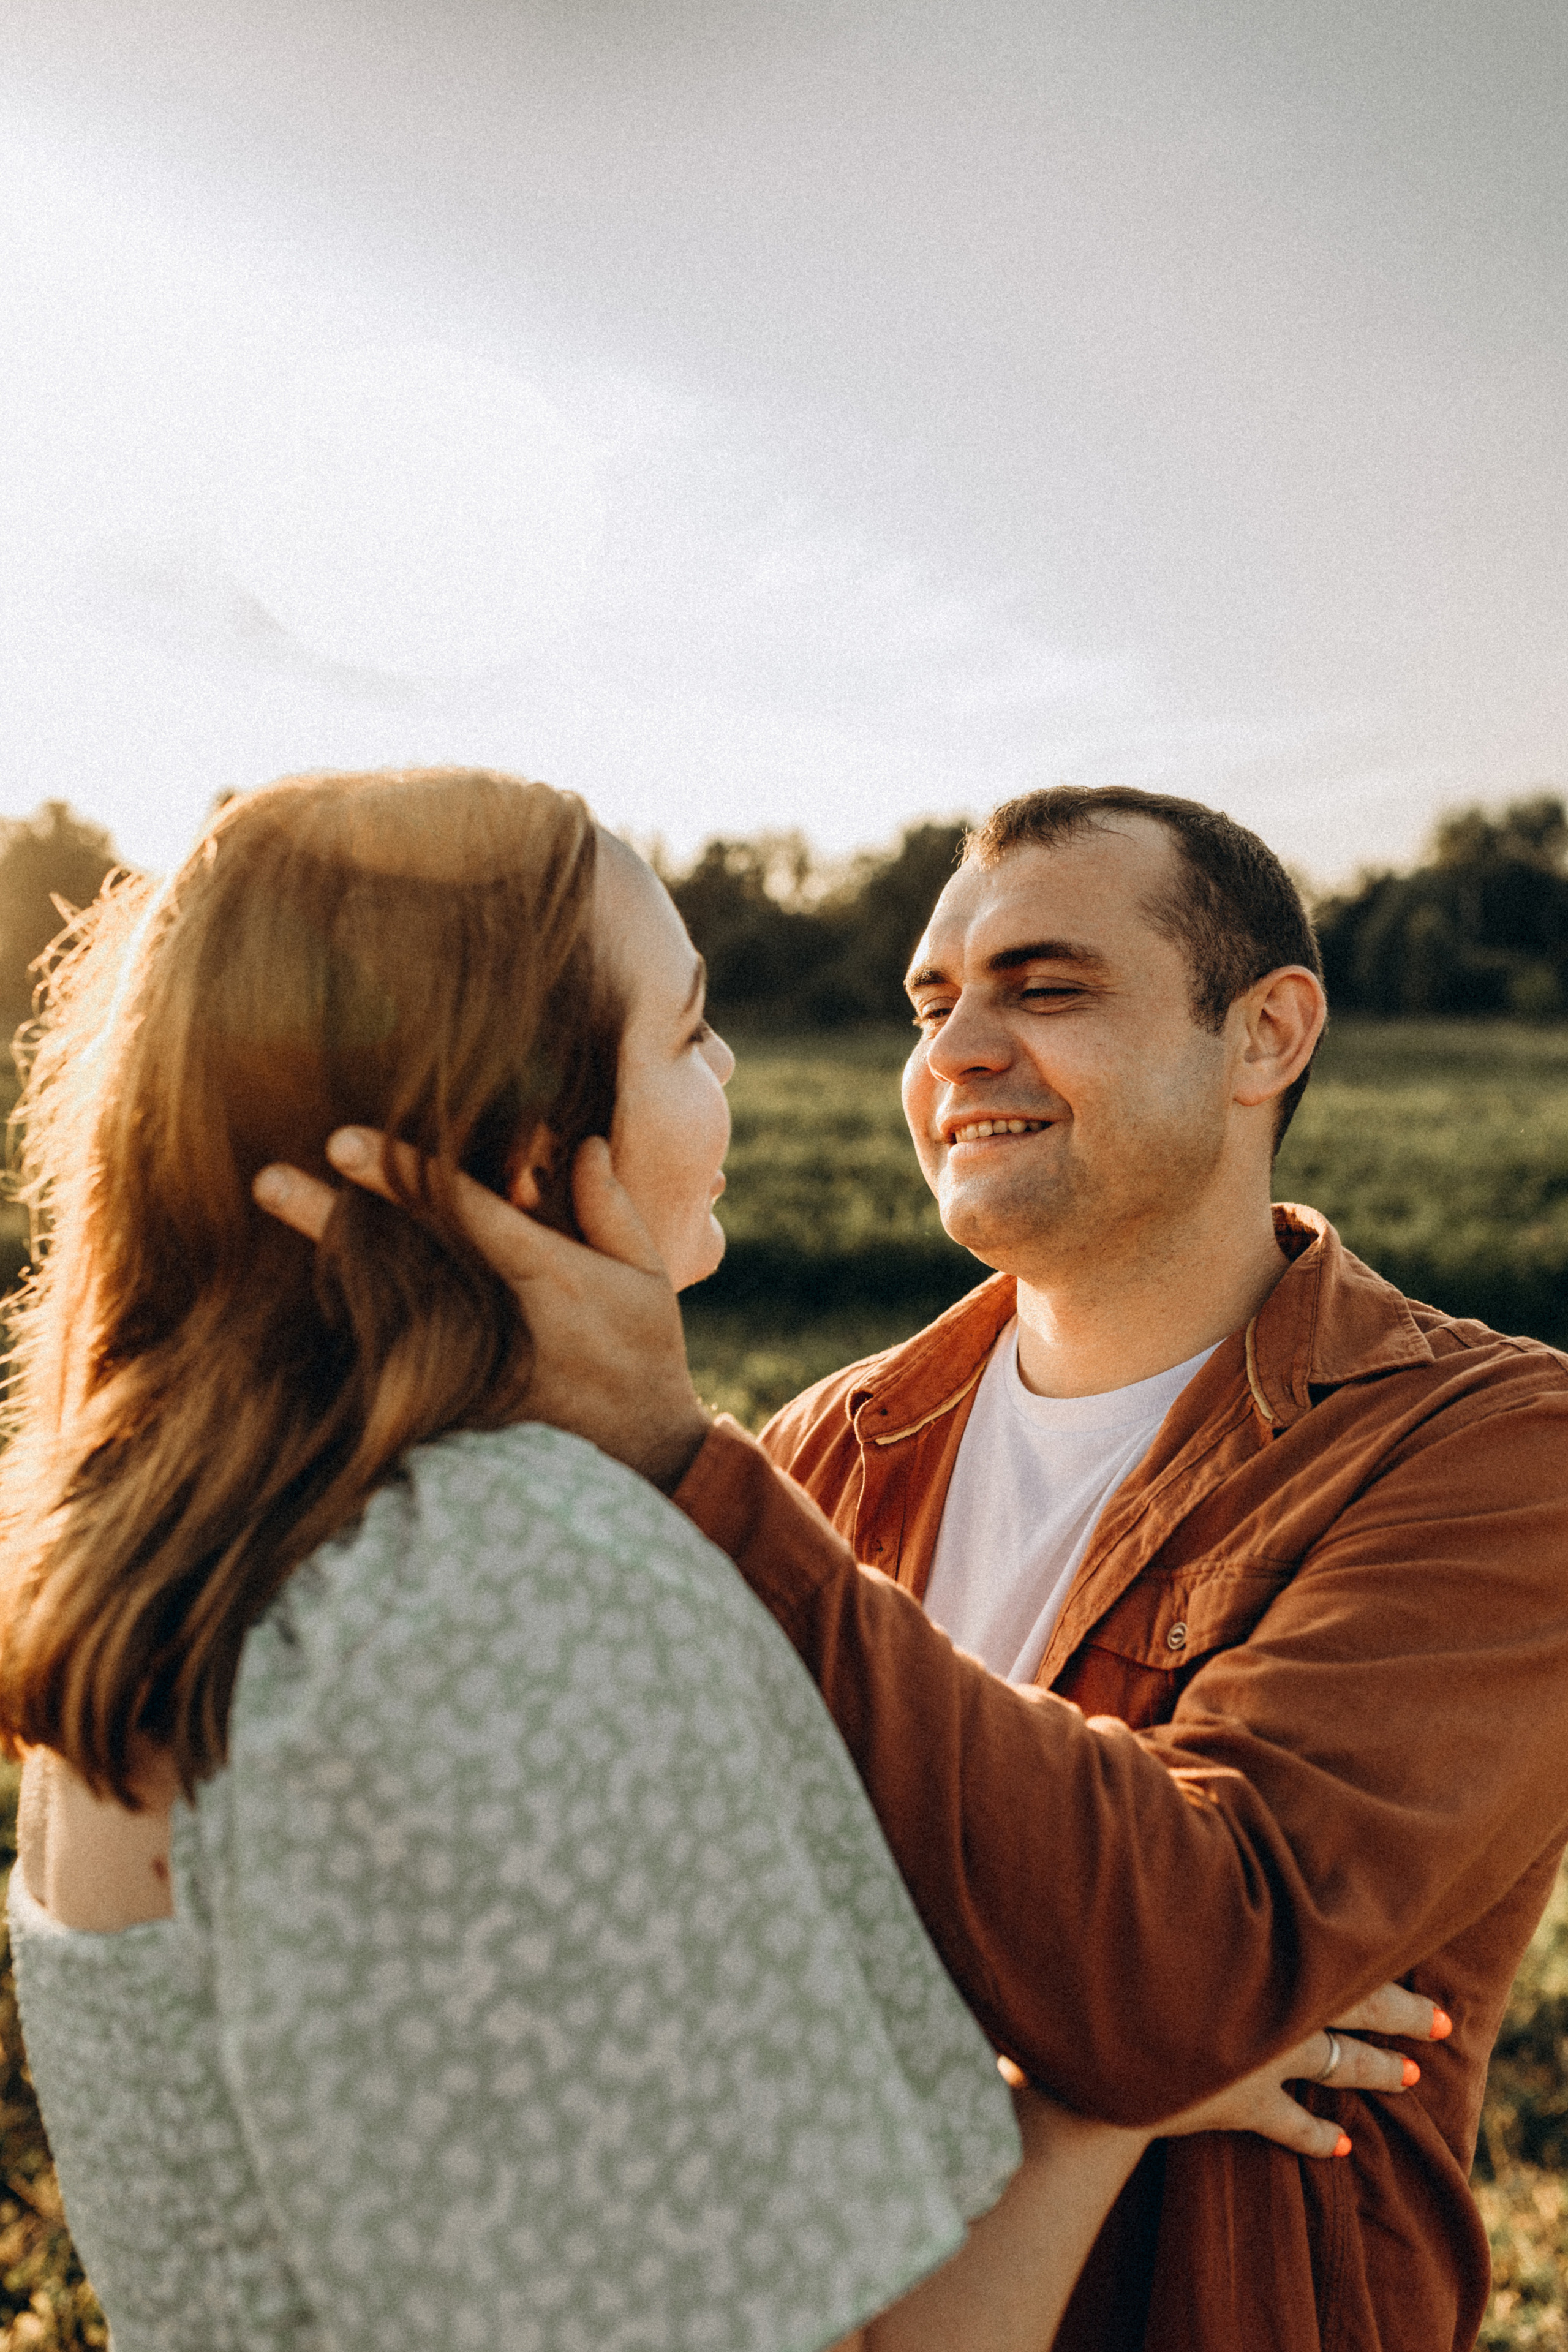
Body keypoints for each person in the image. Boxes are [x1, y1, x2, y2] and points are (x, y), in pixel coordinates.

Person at [0, 769, 1422, 2352]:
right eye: (685, 1032)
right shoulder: (535, 1585)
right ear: (531, 1147)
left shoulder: (171, 1576)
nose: (732, 1062)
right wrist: (1111, 2101)